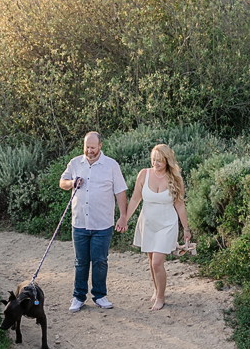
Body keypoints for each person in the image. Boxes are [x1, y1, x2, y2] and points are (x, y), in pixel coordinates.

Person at [60, 132, 128, 312]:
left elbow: (120, 191)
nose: (89, 151)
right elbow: (62, 182)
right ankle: (78, 297)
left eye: (92, 147)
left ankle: (99, 296)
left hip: (102, 224)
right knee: (81, 261)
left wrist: (123, 216)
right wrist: (72, 183)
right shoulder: (75, 163)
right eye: (86, 147)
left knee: (100, 261)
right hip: (80, 222)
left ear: (100, 146)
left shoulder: (111, 165)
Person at [126, 143, 191, 310]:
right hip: (147, 223)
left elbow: (180, 205)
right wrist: (124, 218)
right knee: (150, 259)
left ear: (167, 161)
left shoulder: (175, 179)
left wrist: (186, 229)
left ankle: (161, 297)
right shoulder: (144, 174)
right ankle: (156, 289)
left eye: (159, 161)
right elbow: (135, 199)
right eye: (153, 160)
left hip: (167, 225)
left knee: (157, 263)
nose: (155, 163)